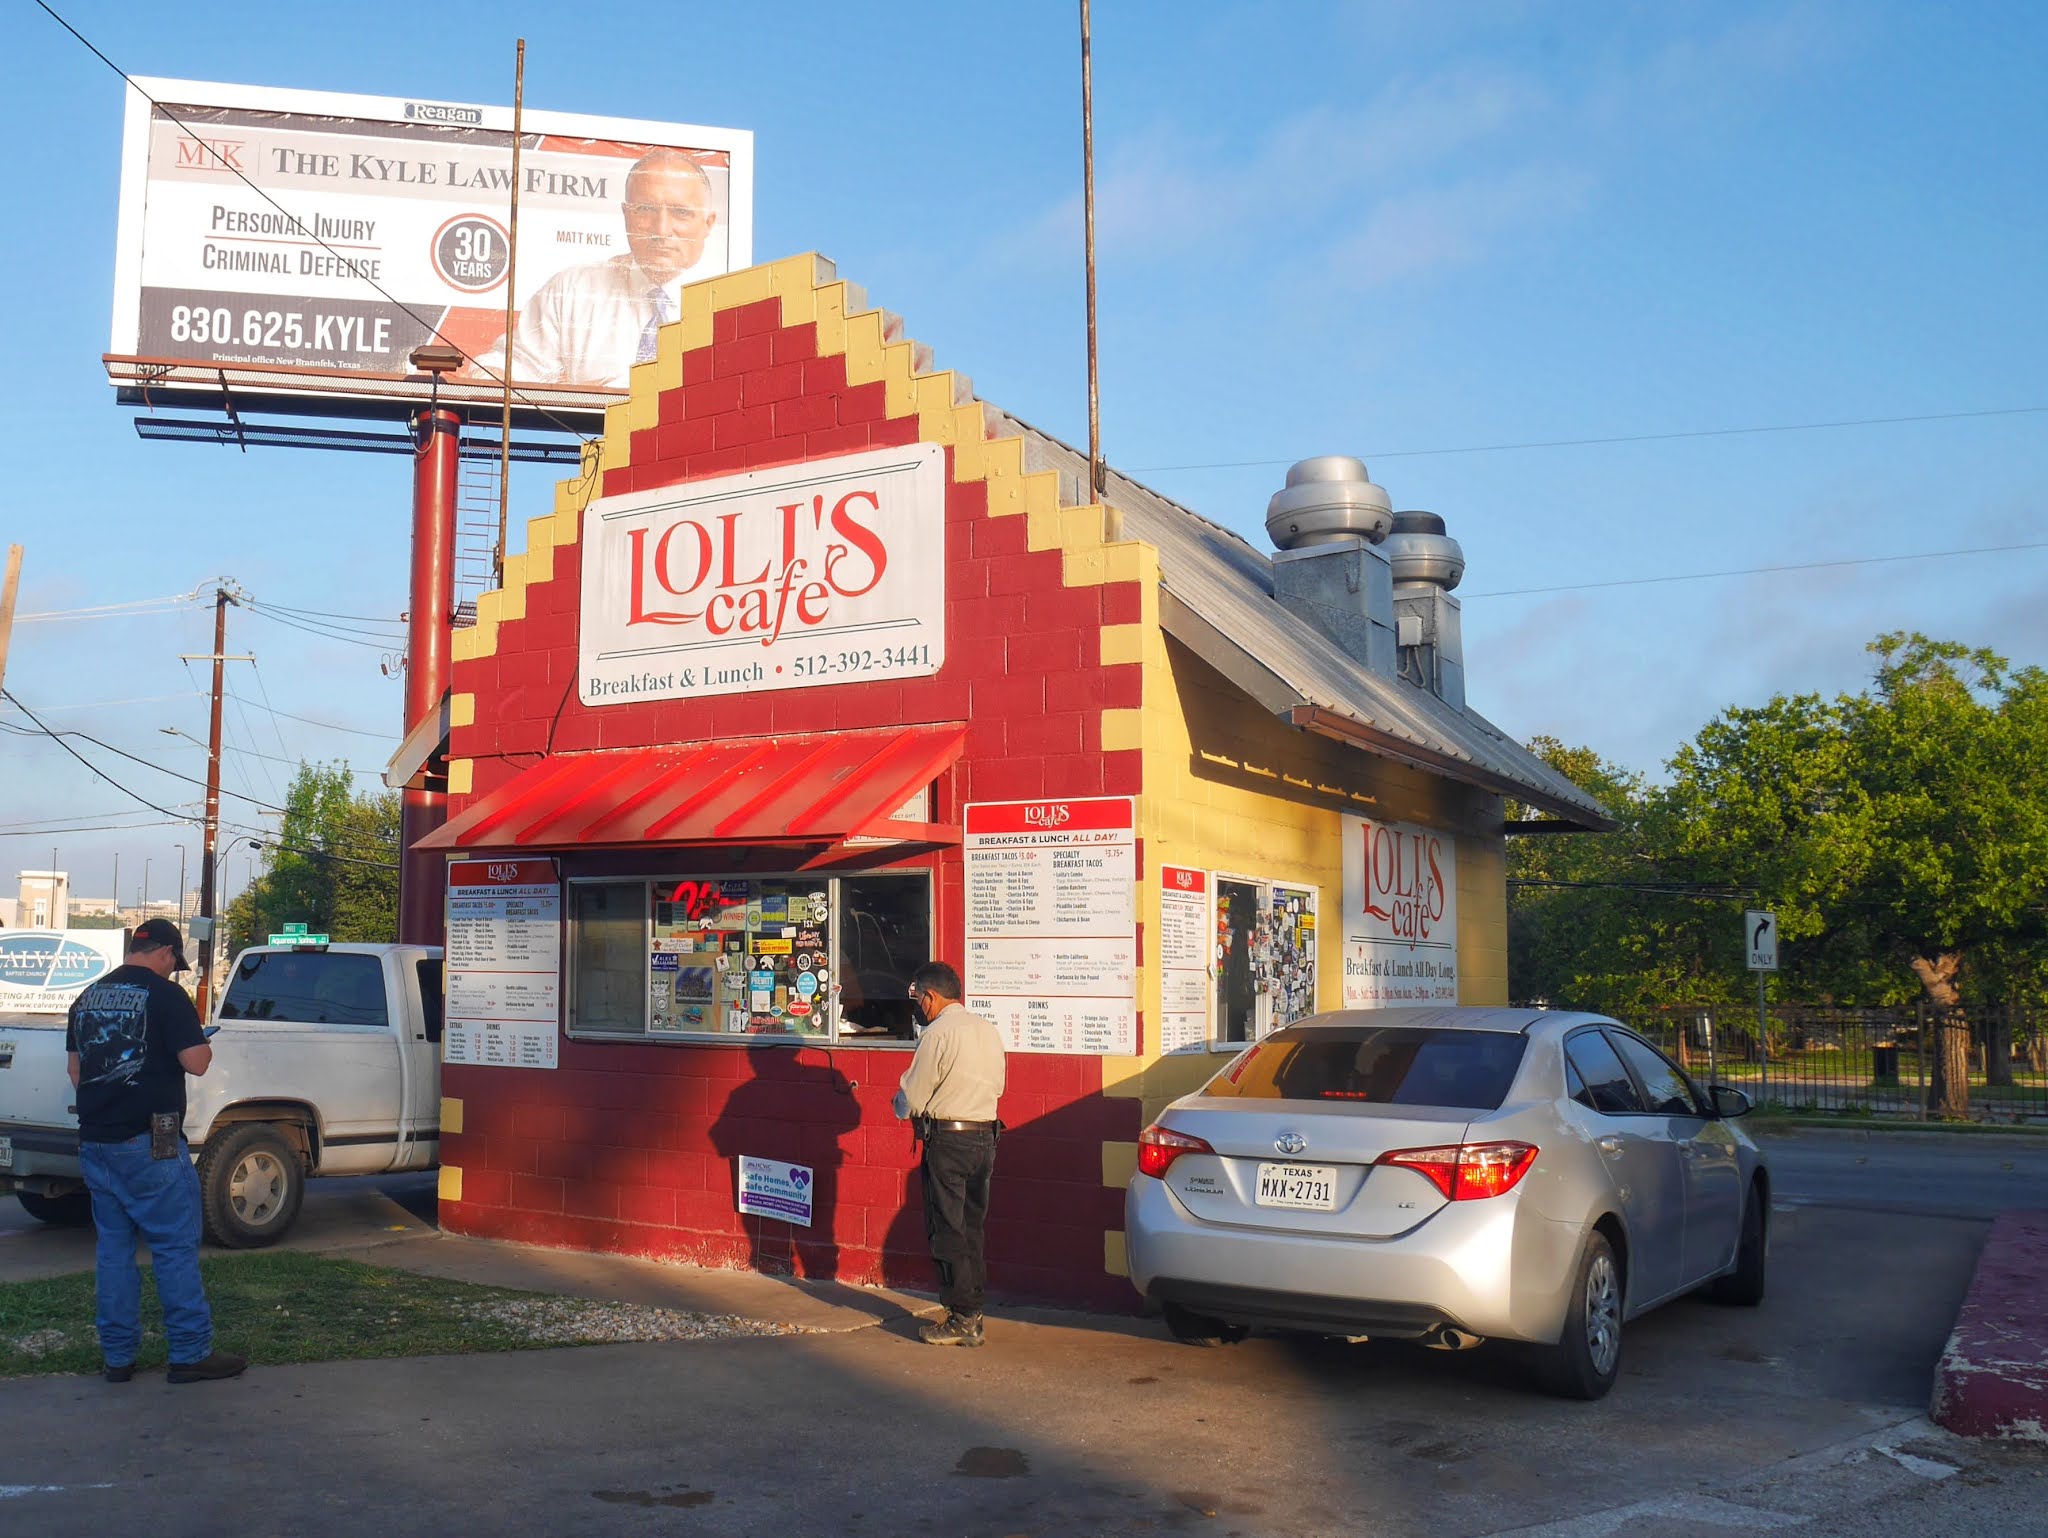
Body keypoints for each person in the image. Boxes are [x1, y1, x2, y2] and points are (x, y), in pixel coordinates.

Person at [66, 919, 245, 1384]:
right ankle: (189, 1353)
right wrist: (199, 1039)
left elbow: (76, 1072)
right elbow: (197, 1063)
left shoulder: (86, 997)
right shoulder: (167, 996)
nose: (172, 969)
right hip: (153, 1141)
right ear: (165, 953)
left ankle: (118, 1358)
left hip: (96, 1141)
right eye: (173, 962)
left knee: (114, 1250)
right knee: (174, 1246)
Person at [498, 148, 723, 388]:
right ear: (626, 215)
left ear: (708, 223)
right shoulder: (573, 290)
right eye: (646, 210)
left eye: (681, 213)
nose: (662, 230)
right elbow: (506, 367)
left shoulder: (731, 303)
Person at [894, 962, 1005, 1346]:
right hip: (985, 1138)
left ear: (931, 996)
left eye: (919, 999)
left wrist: (899, 1105)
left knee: (947, 1229)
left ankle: (962, 1317)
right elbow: (999, 1086)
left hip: (948, 1142)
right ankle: (972, 1310)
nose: (919, 1007)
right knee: (972, 1228)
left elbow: (913, 1097)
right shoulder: (988, 1030)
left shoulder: (937, 1034)